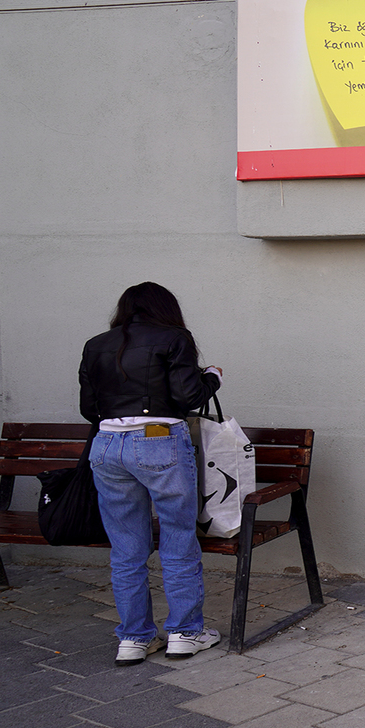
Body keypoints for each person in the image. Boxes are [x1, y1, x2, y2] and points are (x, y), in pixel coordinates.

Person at [79, 282, 224, 665]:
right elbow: (189, 397)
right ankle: (185, 633)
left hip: (107, 445)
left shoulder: (96, 345)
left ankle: (133, 639)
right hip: (159, 439)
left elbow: (89, 408)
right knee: (178, 539)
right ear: (165, 307)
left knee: (126, 548)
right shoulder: (175, 338)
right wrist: (213, 376)